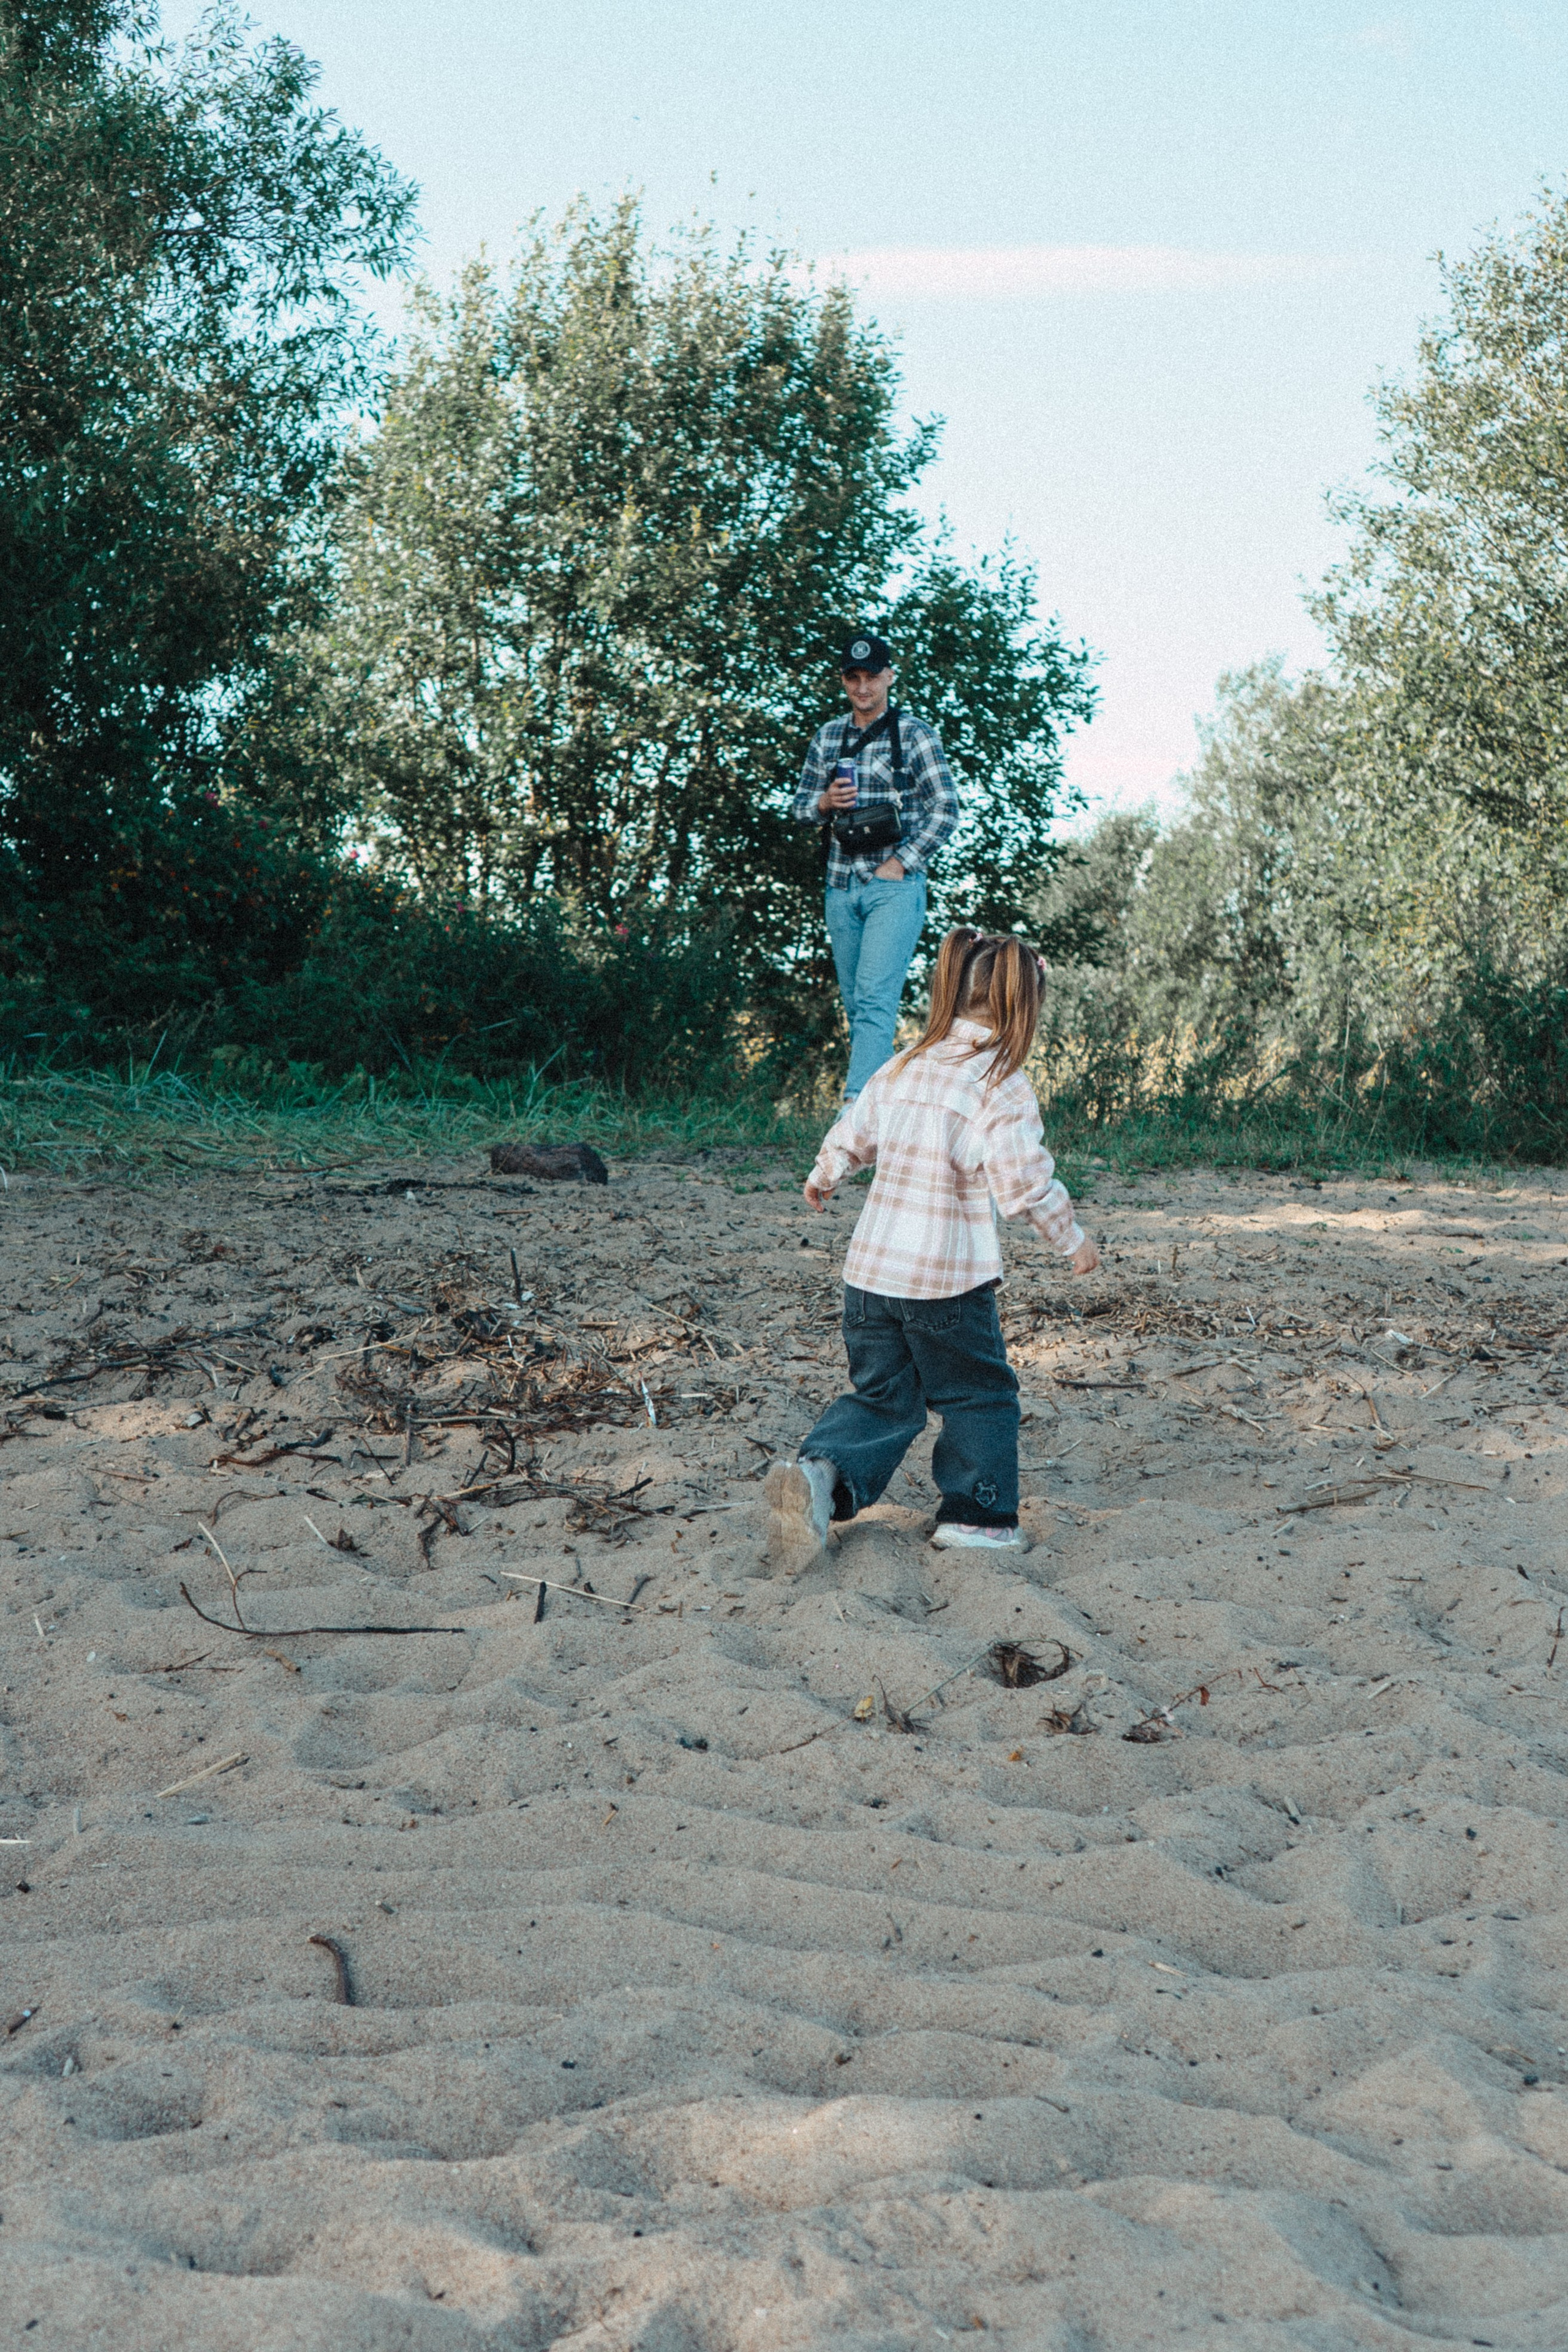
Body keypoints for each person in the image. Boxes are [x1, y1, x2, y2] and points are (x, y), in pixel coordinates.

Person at [765, 927, 1100, 1559]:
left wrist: (824, 1174)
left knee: (882, 1396)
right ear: (1022, 1009)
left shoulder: (904, 1063)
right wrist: (1071, 1238)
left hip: (868, 1278)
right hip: (945, 1282)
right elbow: (1023, 1183)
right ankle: (976, 1519)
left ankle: (817, 1477)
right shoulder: (999, 1084)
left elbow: (853, 1129)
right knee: (979, 1392)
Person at [795, 631, 960, 1102]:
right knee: (859, 1008)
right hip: (839, 885)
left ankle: (854, 1112)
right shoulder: (827, 736)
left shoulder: (915, 734)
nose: (863, 687)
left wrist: (900, 863)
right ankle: (889, 1110)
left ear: (890, 675)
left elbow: (946, 809)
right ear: (843, 680)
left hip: (894, 888)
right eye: (854, 677)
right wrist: (825, 802)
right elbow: (799, 808)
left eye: (872, 676)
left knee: (874, 1001)